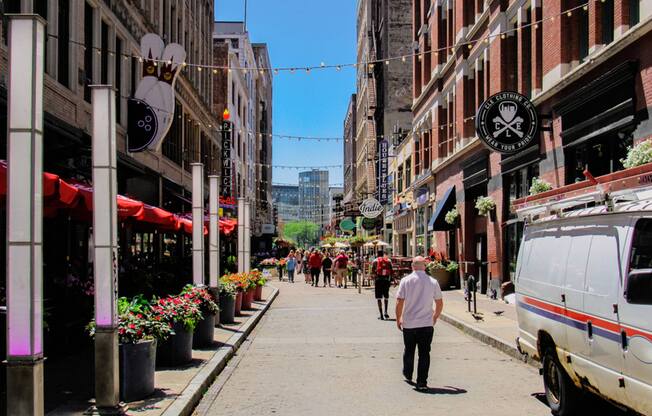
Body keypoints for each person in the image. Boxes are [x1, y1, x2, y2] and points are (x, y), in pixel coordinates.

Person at [395, 256, 444, 391]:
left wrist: (398, 318)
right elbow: (439, 302)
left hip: (410, 323)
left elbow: (399, 301)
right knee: (424, 353)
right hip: (426, 323)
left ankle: (408, 372)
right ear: (425, 266)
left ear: (412, 266)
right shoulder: (433, 282)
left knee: (409, 350)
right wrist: (435, 317)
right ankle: (422, 382)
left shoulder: (406, 281)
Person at [371, 250, 393, 320]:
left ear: (377, 254)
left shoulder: (375, 261)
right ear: (383, 254)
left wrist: (374, 278)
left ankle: (381, 315)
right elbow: (391, 271)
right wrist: (392, 280)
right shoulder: (388, 260)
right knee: (386, 297)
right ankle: (386, 312)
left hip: (378, 280)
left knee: (379, 298)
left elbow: (372, 271)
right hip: (386, 280)